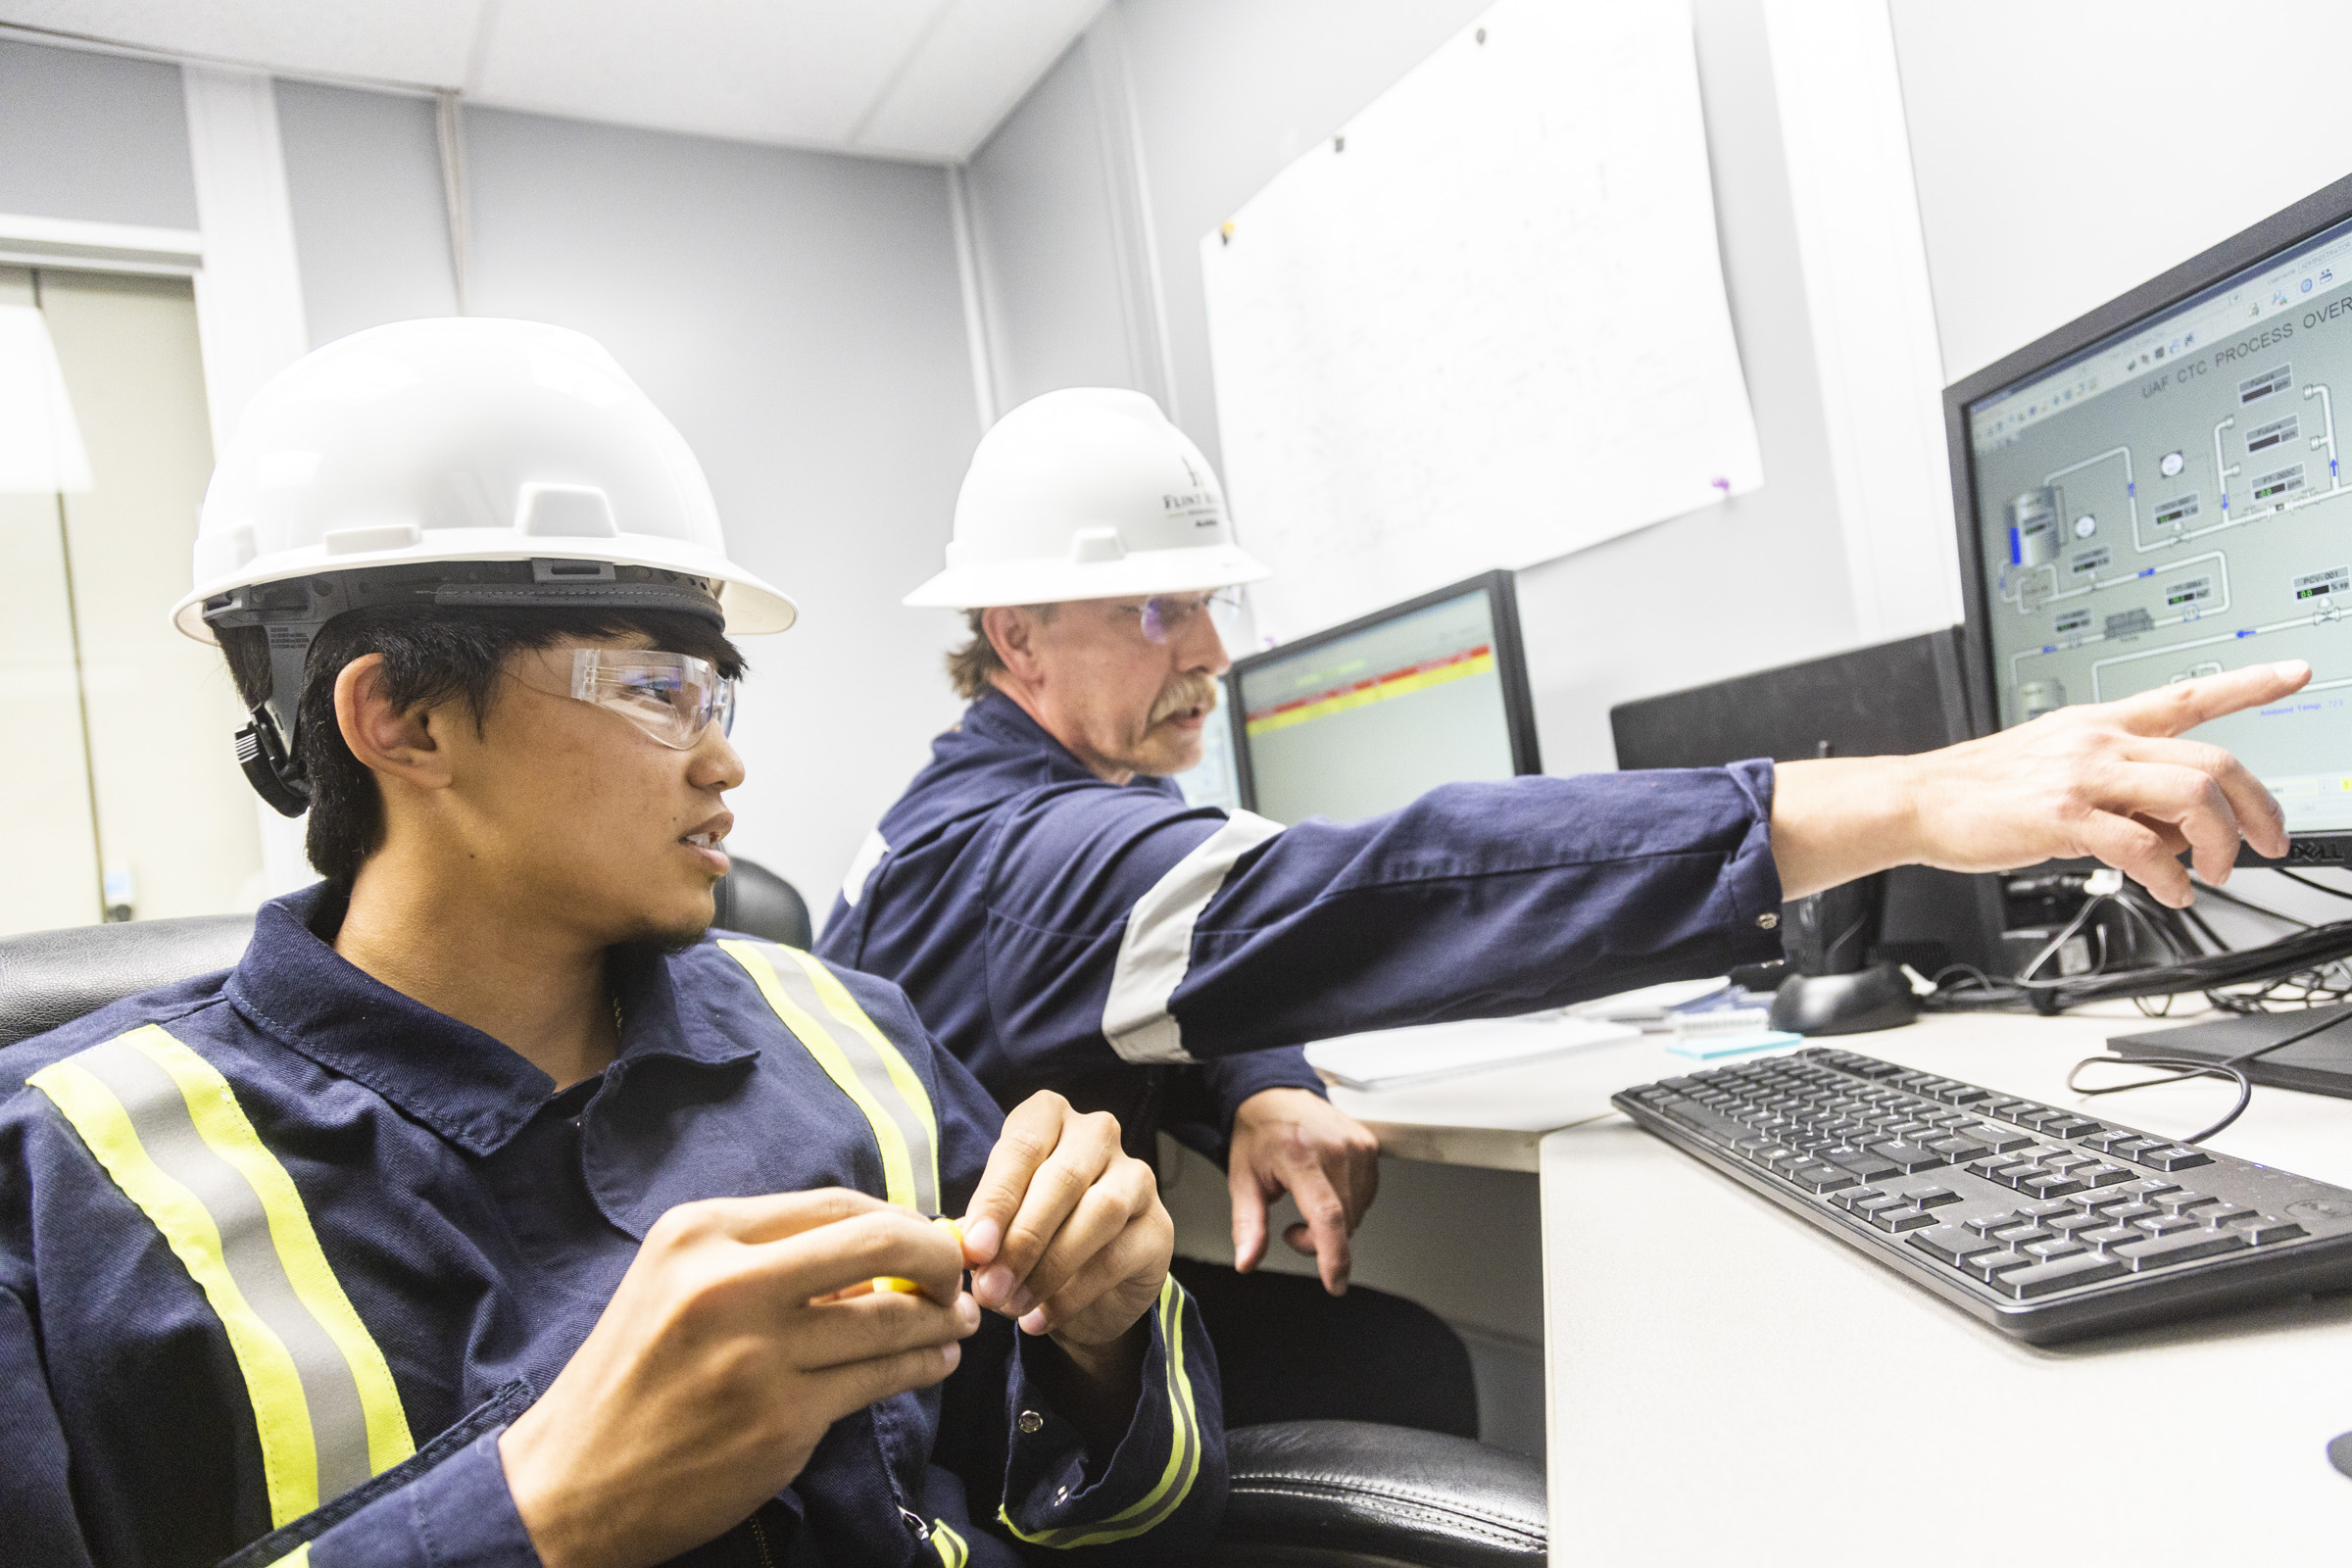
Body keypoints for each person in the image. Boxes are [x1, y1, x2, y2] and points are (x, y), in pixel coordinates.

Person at [817, 385, 2306, 1437]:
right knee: (1403, 1368)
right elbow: (1350, 894)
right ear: (1016, 635)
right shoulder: (1013, 854)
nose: (1208, 642)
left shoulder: (979, 817)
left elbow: (1152, 960)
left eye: (1205, 599)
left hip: (975, 1340)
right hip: (965, 1409)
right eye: (1156, 610)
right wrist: (1912, 801)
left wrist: (1261, 1079)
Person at [0, 324, 1222, 1568]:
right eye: (653, 690)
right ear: (402, 718)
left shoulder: (845, 1032)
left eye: (716, 696)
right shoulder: (63, 1181)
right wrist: (537, 1510)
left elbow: (1124, 1516)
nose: (723, 758)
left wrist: (1104, 1344)